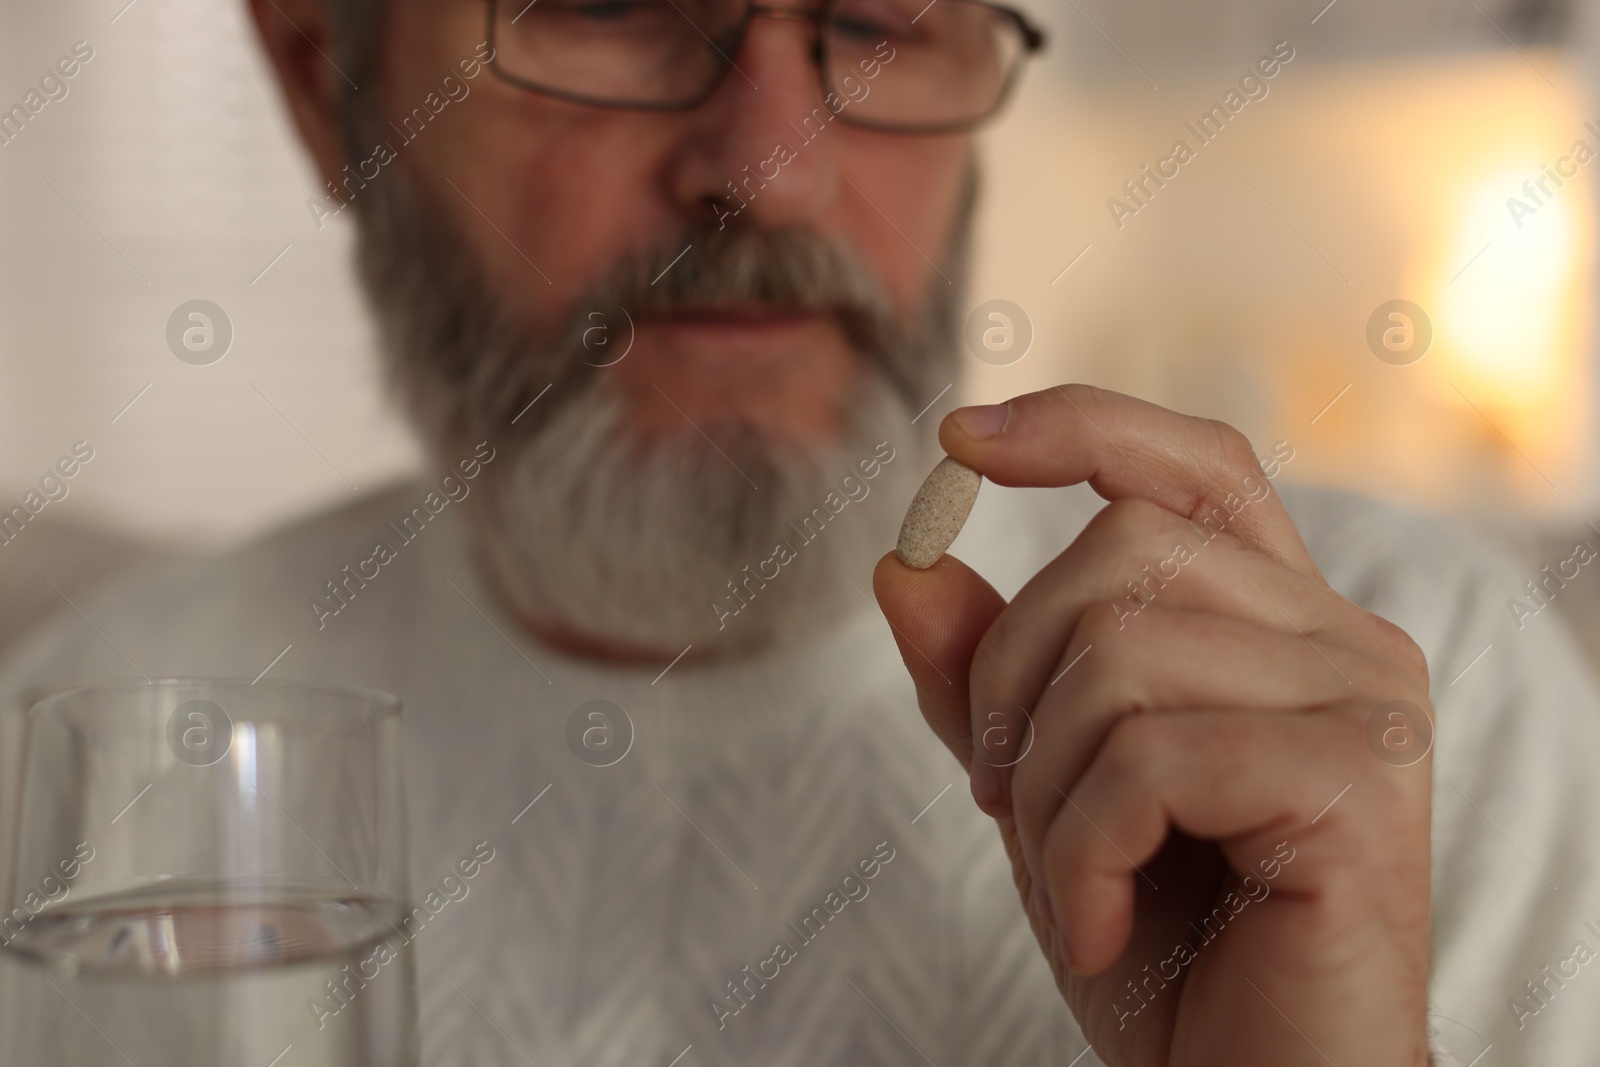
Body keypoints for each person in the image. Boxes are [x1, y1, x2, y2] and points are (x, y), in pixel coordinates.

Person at [1, 0, 1598, 1063]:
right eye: (613, 3)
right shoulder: (89, 768)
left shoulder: (1407, 699)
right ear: (319, 80)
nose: (772, 172)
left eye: (878, 19)